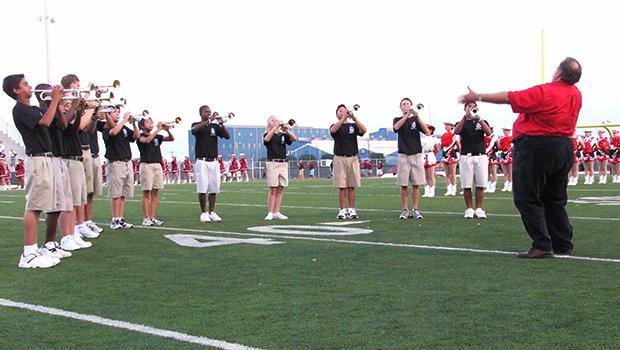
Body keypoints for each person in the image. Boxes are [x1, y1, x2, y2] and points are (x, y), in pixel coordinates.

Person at [459, 56, 582, 258]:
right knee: (555, 198)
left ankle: (542, 244)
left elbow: (510, 97)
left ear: (559, 72)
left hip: (536, 146)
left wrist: (478, 96)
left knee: (526, 197)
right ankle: (563, 243)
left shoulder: (546, 91)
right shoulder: (576, 94)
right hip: (564, 146)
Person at [3, 74, 61, 268]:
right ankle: (28, 254)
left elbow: (55, 123)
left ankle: (36, 250)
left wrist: (58, 103)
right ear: (16, 91)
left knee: (40, 205)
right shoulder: (20, 109)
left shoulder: (33, 108)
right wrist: (54, 100)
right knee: (34, 206)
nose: (30, 86)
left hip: (45, 157)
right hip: (37, 159)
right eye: (25, 84)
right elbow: (44, 122)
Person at [61, 73, 104, 235]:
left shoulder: (77, 103)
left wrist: (92, 117)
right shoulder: (66, 102)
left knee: (83, 192)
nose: (79, 86)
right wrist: (89, 108)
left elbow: (87, 128)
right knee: (73, 193)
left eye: (79, 83)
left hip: (82, 150)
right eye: (75, 83)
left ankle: (82, 223)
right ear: (68, 85)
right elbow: (77, 126)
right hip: (70, 152)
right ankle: (74, 227)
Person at [97, 106, 136, 229]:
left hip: (126, 162)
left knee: (123, 193)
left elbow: (135, 137)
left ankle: (120, 218)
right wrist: (124, 119)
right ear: (108, 113)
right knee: (116, 193)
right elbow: (113, 132)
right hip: (115, 163)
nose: (118, 114)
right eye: (115, 111)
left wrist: (134, 123)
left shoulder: (123, 127)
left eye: (119, 112)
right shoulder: (106, 127)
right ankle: (114, 219)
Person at [191, 105, 230, 222]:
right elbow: (194, 130)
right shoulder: (196, 124)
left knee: (214, 187)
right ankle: (204, 212)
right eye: (206, 112)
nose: (209, 113)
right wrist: (209, 120)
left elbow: (227, 136)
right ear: (201, 113)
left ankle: (212, 211)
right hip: (202, 160)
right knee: (202, 187)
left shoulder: (214, 126)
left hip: (214, 161)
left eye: (210, 112)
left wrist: (221, 123)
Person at [393, 98, 430, 219]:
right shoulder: (397, 119)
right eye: (403, 104)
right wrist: (407, 116)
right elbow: (396, 128)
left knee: (416, 184)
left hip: (416, 154)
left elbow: (427, 131)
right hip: (403, 154)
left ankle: (415, 209)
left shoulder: (415, 120)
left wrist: (417, 116)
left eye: (408, 104)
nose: (406, 106)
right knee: (403, 184)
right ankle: (405, 209)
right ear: (400, 107)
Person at [454, 102, 492, 218]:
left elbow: (488, 132)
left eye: (473, 107)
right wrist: (464, 117)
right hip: (466, 156)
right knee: (467, 185)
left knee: (480, 184)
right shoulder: (462, 122)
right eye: (469, 106)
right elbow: (456, 131)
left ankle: (479, 208)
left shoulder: (481, 121)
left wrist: (479, 119)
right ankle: (469, 208)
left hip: (480, 156)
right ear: (465, 108)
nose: (471, 108)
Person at [135, 117, 174, 226]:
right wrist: (158, 129)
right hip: (146, 165)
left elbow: (171, 138)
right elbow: (147, 141)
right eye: (148, 122)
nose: (151, 124)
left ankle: (152, 217)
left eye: (151, 122)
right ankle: (146, 218)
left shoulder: (157, 136)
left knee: (155, 192)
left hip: (157, 164)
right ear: (142, 126)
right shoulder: (140, 136)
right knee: (146, 192)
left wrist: (167, 129)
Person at [330, 104, 367, 220]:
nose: (343, 112)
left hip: (353, 158)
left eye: (344, 111)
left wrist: (354, 118)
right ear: (337, 114)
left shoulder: (352, 125)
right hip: (340, 157)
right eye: (340, 111)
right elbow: (333, 130)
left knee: (352, 186)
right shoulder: (335, 125)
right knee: (342, 186)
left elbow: (363, 130)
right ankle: (342, 210)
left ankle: (352, 209)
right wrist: (343, 118)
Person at [263, 115, 298, 220]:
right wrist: (276, 127)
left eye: (276, 120)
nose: (276, 122)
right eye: (273, 121)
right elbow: (267, 139)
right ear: (269, 123)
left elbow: (295, 139)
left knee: (280, 188)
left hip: (283, 163)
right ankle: (270, 212)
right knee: (273, 188)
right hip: (272, 163)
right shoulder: (267, 134)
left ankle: (277, 211)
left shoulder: (282, 135)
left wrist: (286, 129)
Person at [440, 121, 459, 196]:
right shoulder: (443, 135)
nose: (446, 127)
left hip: (452, 154)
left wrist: (457, 152)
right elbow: (442, 146)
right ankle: (448, 189)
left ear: (451, 126)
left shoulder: (455, 135)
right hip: (445, 154)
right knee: (447, 173)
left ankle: (454, 189)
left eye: (447, 125)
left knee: (452, 173)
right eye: (445, 125)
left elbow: (458, 145)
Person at [421, 125, 439, 197]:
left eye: (428, 129)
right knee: (425, 175)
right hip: (423, 155)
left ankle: (432, 191)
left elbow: (437, 149)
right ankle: (426, 191)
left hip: (430, 155)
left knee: (431, 175)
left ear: (431, 130)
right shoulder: (422, 138)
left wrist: (432, 154)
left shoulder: (433, 138)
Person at [484, 126, 500, 193]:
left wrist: (491, 151)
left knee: (493, 171)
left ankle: (493, 186)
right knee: (487, 172)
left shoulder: (494, 136)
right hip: (485, 155)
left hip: (492, 155)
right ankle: (488, 186)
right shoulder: (484, 136)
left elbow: (497, 147)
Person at [498, 127, 513, 192]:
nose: (505, 132)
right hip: (503, 154)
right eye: (504, 130)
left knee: (510, 172)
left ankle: (510, 185)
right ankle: (506, 185)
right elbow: (499, 148)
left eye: (507, 130)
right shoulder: (501, 139)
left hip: (509, 154)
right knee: (505, 172)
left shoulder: (512, 138)